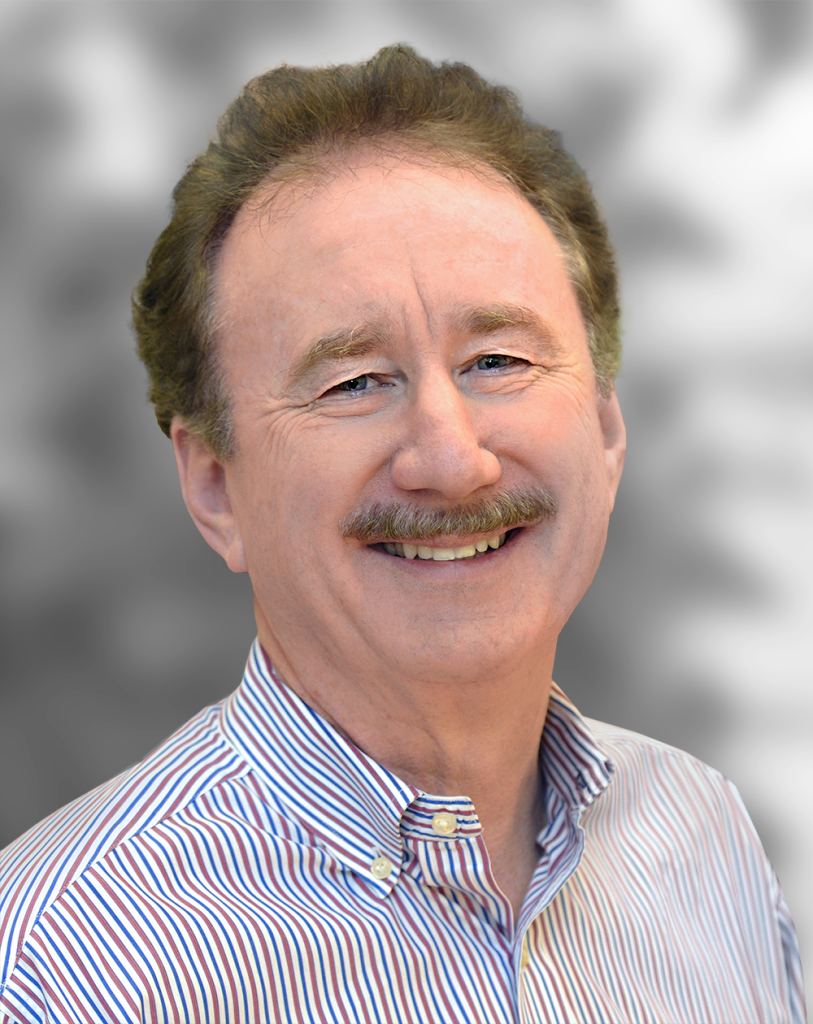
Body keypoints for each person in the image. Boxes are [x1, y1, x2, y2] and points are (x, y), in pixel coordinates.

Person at [0, 45, 804, 1024]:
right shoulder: (67, 965)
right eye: (355, 383)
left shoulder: (704, 838)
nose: (452, 457)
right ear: (214, 485)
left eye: (499, 359)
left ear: (604, 429)